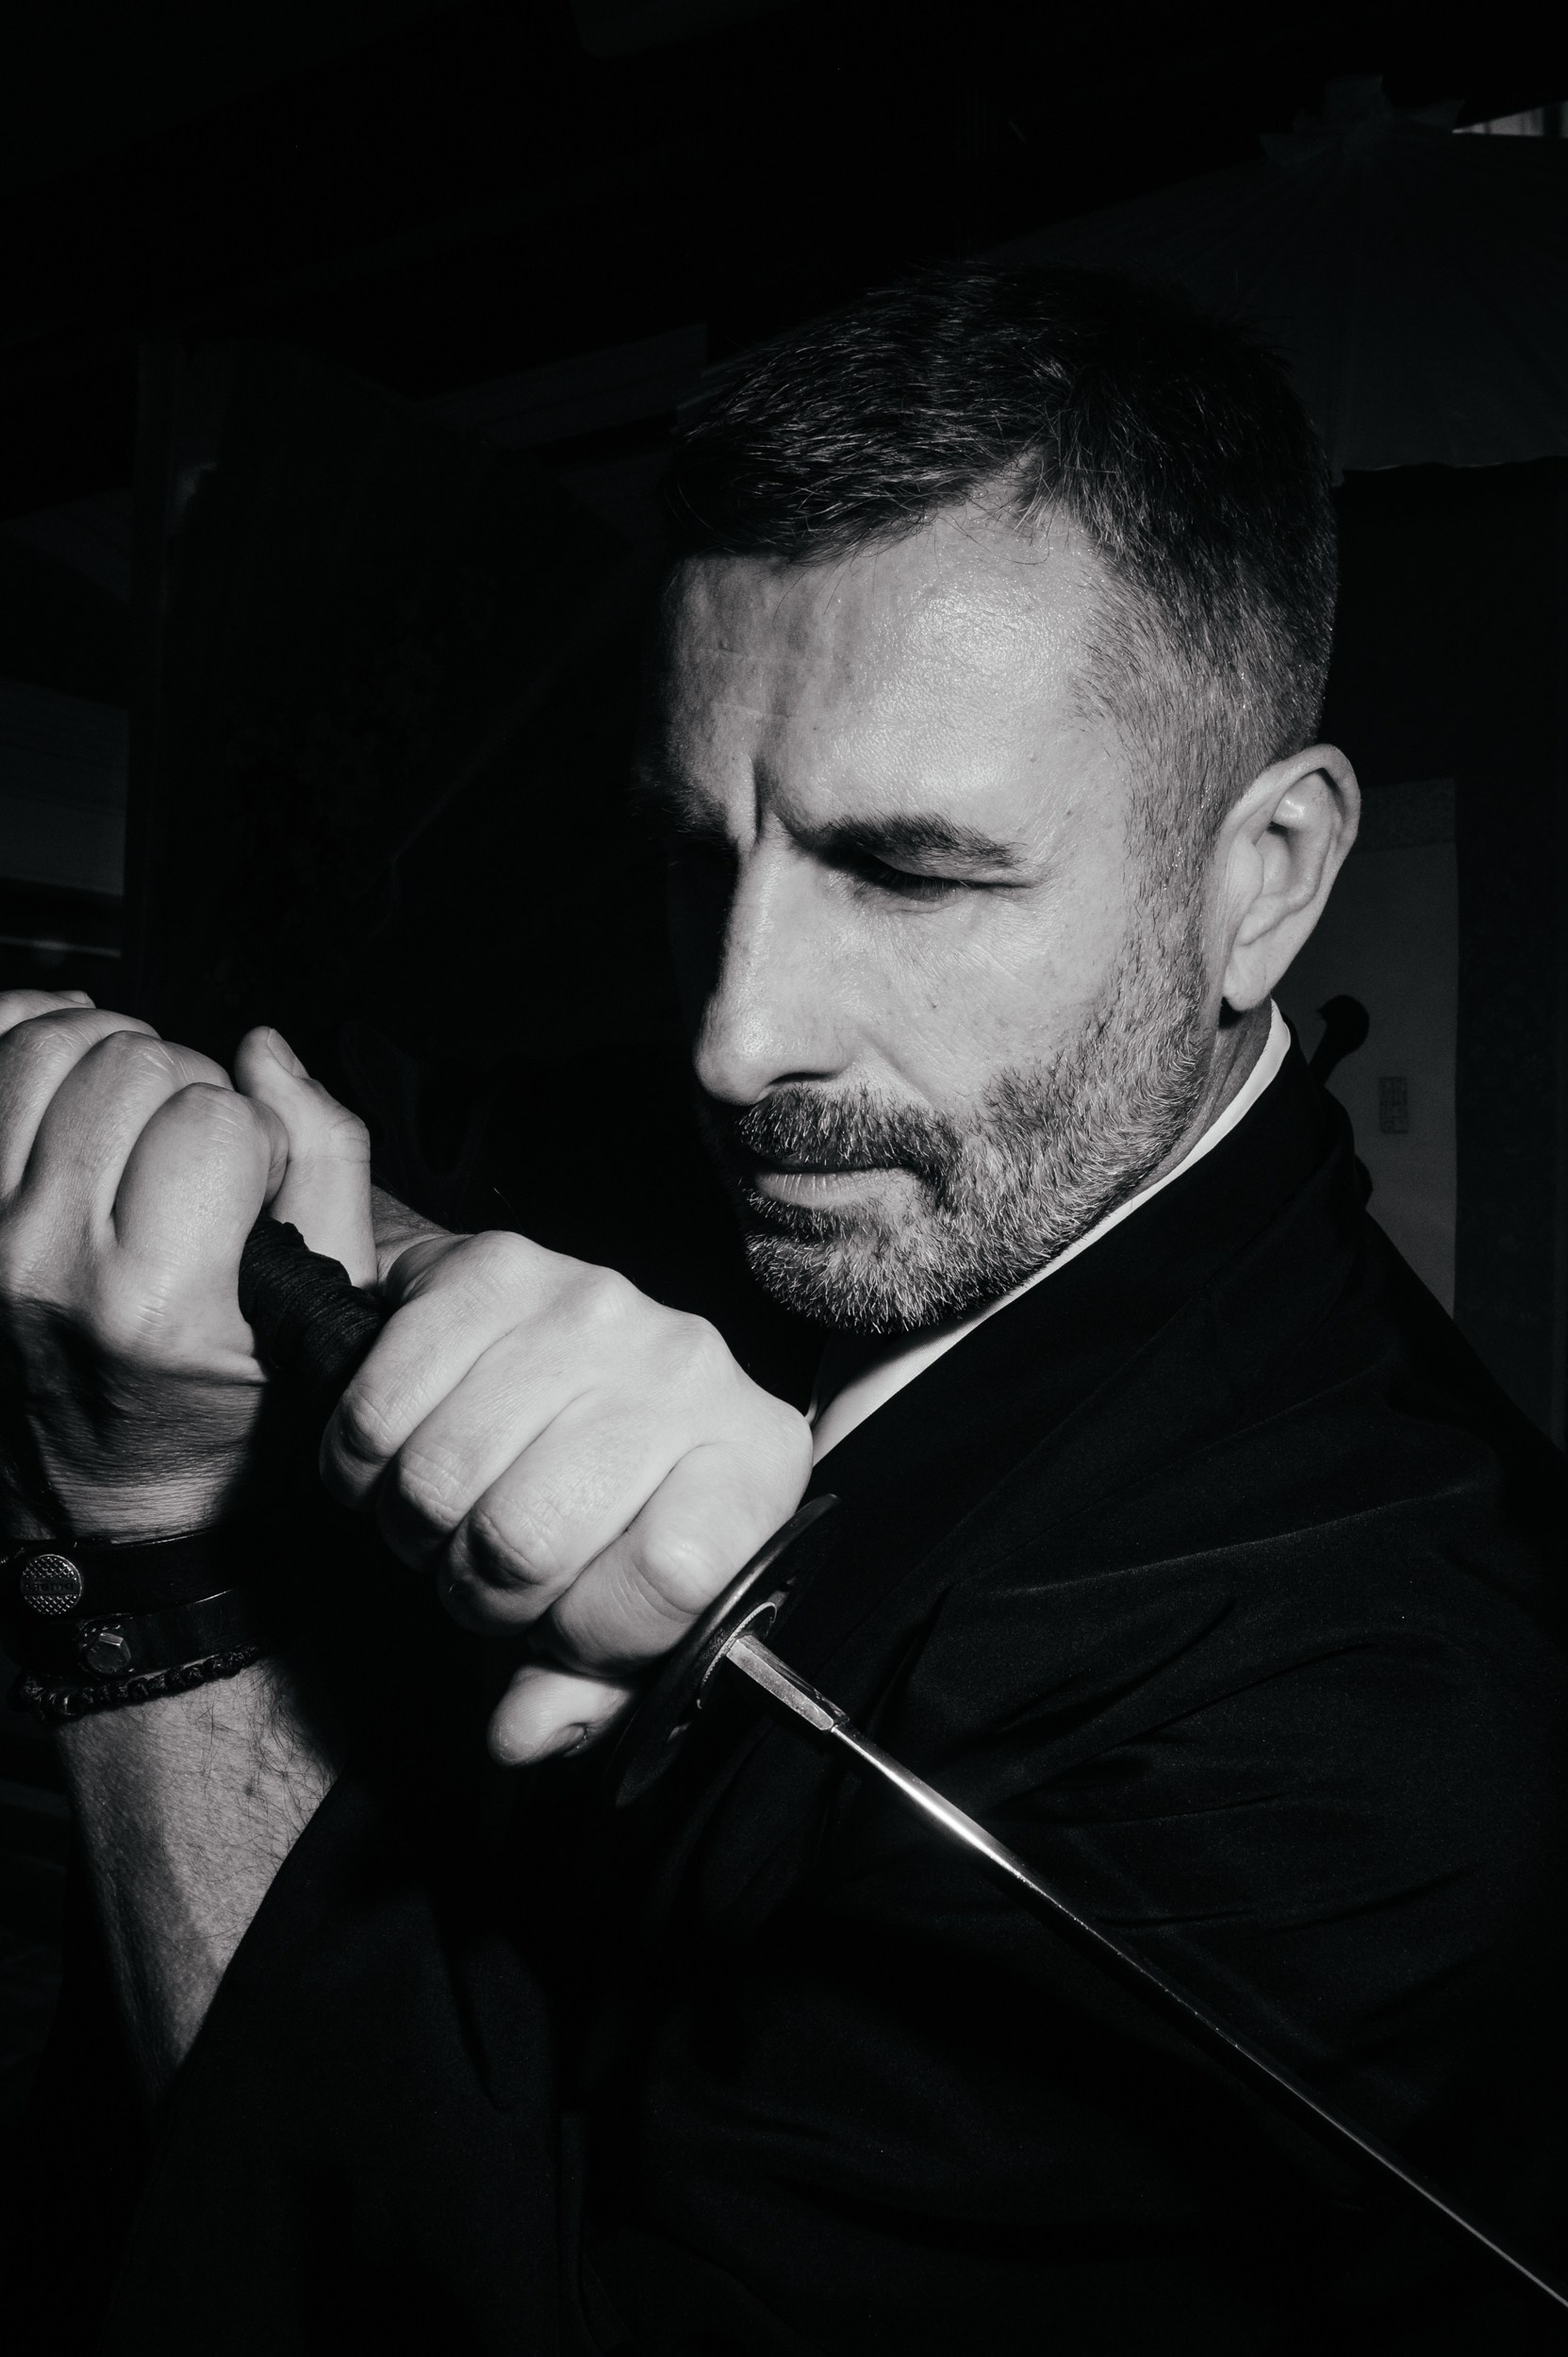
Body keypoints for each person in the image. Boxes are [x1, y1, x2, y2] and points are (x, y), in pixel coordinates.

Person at [1, 267, 1564, 2353]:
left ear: (1263, 874)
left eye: (909, 873)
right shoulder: (751, 1160)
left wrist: (163, 1568)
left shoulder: (1386, 1717)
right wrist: (271, 1208)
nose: (736, 1038)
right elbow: (374, 1128)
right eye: (693, 854)